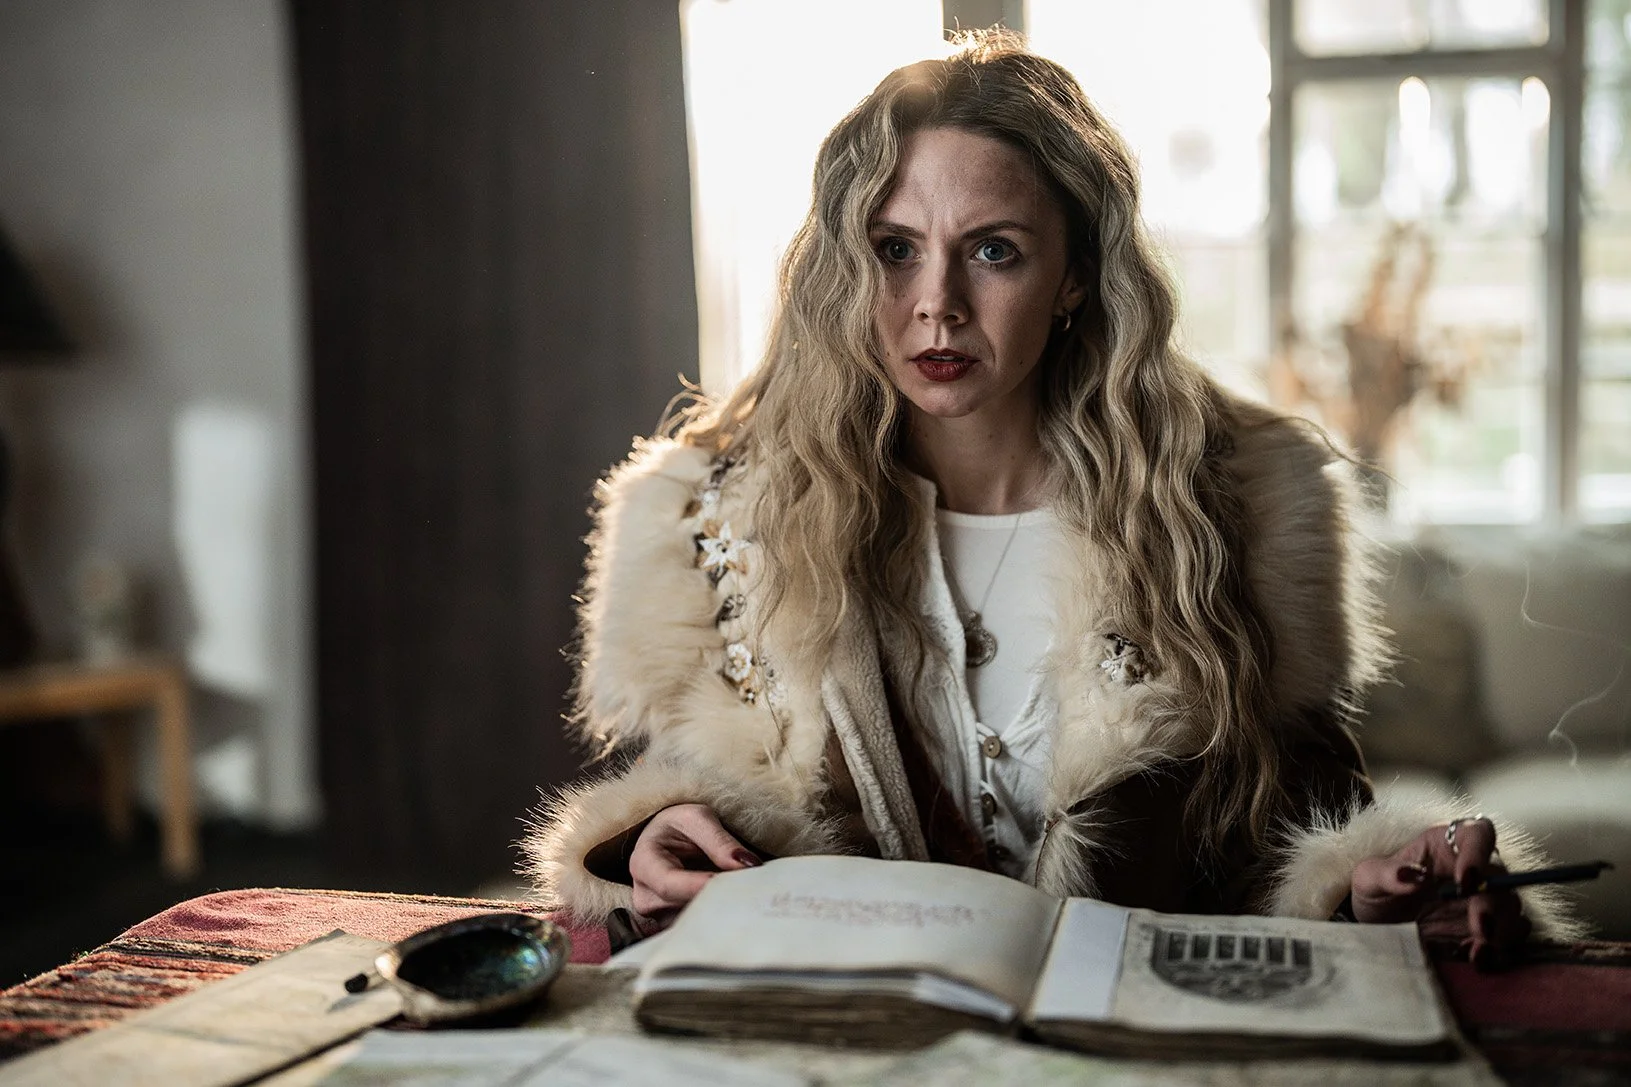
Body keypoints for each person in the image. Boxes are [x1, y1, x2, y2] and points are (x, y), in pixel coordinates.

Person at [522, 33, 1579, 964]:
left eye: (993, 250)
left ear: (1074, 276)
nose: (934, 303)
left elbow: (1298, 833)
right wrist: (650, 839)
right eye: (892, 250)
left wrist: (1377, 887)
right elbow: (687, 810)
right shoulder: (717, 520)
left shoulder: (1232, 507)